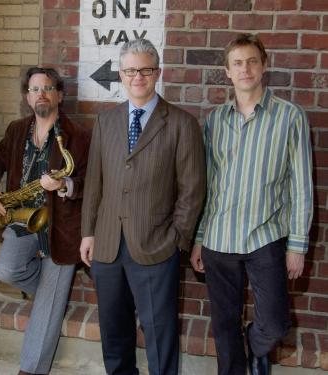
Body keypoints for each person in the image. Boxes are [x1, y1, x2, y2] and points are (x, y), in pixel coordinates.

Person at [80, 39, 206, 375]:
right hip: (107, 244)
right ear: (121, 74)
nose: (138, 76)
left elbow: (192, 190)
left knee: (159, 331)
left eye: (146, 69)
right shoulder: (106, 123)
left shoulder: (181, 124)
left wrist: (177, 239)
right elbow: (94, 183)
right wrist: (88, 233)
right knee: (114, 330)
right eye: (131, 70)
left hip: (155, 246)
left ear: (157, 73)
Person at [190, 33, 313, 375]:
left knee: (274, 322)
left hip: (266, 236)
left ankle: (256, 345)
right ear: (227, 72)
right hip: (219, 238)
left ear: (264, 66)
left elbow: (302, 186)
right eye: (237, 63)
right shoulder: (215, 121)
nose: (245, 69)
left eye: (252, 61)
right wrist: (200, 237)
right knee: (224, 323)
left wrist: (298, 245)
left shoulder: (290, 117)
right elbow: (209, 186)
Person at [0, 67, 90, 375]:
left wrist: (65, 186)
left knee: (50, 298)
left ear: (60, 95)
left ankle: (31, 369)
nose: (40, 93)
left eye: (47, 88)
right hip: (22, 219)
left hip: (62, 227)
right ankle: (52, 297)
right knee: (6, 269)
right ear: (27, 97)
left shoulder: (78, 136)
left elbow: (91, 182)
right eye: (34, 89)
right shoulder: (16, 130)